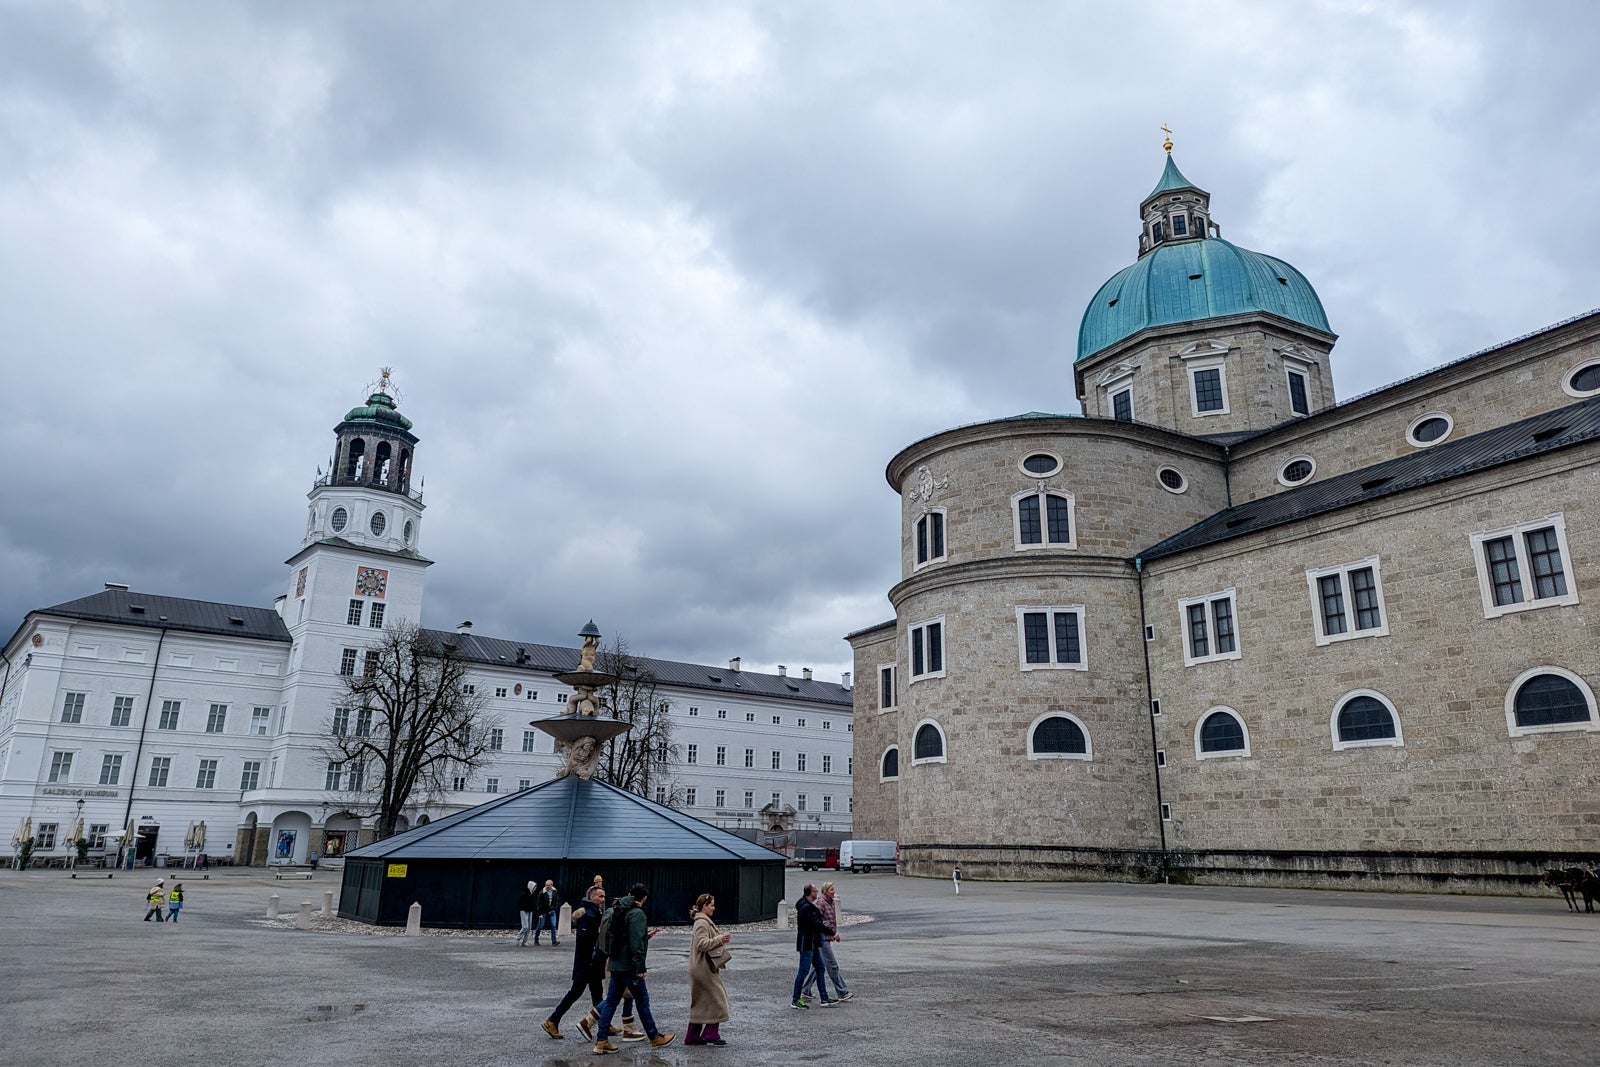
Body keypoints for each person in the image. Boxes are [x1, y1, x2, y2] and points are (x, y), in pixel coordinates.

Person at [591, 883, 674, 1054]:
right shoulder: (637, 914)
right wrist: (640, 967)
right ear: (643, 898)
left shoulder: (614, 910)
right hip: (629, 967)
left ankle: (601, 1040)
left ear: (629, 893)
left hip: (615, 964)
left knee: (611, 1002)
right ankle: (654, 1036)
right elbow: (636, 944)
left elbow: (619, 937)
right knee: (643, 1001)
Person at [542, 884, 609, 1039]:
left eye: (604, 896)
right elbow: (586, 941)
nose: (603, 899)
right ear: (591, 897)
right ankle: (552, 1020)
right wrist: (593, 957)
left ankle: (604, 1022)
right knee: (575, 992)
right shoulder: (588, 915)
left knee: (596, 992)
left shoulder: (594, 912)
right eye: (600, 896)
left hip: (590, 961)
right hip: (587, 962)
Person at [685, 893, 733, 1046]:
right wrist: (719, 940)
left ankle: (692, 1036)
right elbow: (701, 944)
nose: (714, 908)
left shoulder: (701, 921)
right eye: (711, 905)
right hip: (703, 968)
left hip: (701, 967)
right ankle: (711, 1033)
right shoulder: (702, 923)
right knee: (718, 1001)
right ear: (704, 906)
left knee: (702, 1003)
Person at [799, 882, 852, 1004]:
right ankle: (842, 992)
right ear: (826, 891)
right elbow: (817, 921)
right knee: (832, 965)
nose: (834, 892)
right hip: (822, 938)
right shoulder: (821, 903)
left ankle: (805, 990)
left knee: (818, 966)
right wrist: (831, 933)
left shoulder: (831, 901)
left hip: (826, 937)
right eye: (832, 890)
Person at [791, 883, 837, 1009]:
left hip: (812, 942)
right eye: (815, 891)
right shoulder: (806, 908)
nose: (817, 893)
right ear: (811, 893)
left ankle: (824, 998)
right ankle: (795, 999)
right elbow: (816, 924)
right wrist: (831, 932)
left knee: (820, 968)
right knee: (804, 970)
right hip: (807, 943)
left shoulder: (806, 906)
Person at [535, 878, 560, 946]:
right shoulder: (542, 893)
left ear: (551, 885)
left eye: (548, 885)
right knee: (540, 926)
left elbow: (556, 900)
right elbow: (539, 904)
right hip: (543, 911)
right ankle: (536, 939)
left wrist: (555, 907)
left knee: (553, 925)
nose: (547, 886)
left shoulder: (555, 891)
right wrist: (540, 913)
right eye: (546, 885)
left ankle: (554, 940)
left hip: (552, 910)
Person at [516, 880, 538, 947]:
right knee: (525, 926)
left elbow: (532, 903)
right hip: (524, 911)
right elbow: (519, 902)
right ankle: (518, 938)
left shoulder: (531, 895)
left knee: (529, 928)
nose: (535, 889)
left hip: (529, 911)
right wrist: (525, 907)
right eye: (534, 887)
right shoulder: (524, 894)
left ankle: (524, 941)